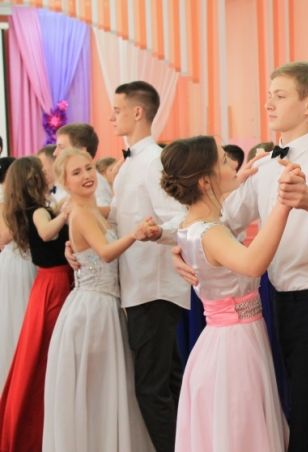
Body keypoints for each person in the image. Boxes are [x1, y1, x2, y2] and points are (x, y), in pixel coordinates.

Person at [169, 61, 308, 452]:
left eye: (280, 96)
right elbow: (223, 221)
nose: (268, 104)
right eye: (268, 95)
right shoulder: (266, 165)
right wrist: (182, 247)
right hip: (276, 305)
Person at [66, 81, 189, 452]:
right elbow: (120, 217)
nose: (111, 117)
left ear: (138, 112)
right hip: (137, 287)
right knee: (165, 382)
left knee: (152, 389)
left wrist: (155, 233)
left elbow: (178, 217)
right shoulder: (130, 164)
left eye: (117, 110)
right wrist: (80, 238)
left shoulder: (153, 162)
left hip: (153, 287)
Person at [159, 136, 289, 451]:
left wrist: (238, 180)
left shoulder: (192, 223)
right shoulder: (211, 232)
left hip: (225, 339)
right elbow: (253, 264)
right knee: (242, 429)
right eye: (223, 160)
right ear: (205, 182)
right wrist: (283, 204)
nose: (233, 163)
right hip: (235, 345)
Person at [42, 148, 155, 452]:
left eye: (89, 168)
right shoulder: (80, 212)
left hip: (104, 306)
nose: (86, 176)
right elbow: (105, 253)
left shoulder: (91, 209)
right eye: (76, 173)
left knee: (105, 387)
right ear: (65, 182)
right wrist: (135, 234)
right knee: (97, 388)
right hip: (92, 311)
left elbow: (112, 215)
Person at [0, 156, 73, 451]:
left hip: (31, 271)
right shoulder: (39, 212)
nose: (47, 173)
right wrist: (63, 214)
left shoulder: (24, 209)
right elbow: (44, 233)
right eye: (42, 172)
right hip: (37, 274)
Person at [0, 157, 37, 386]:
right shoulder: (8, 204)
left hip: (31, 263)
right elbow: (3, 236)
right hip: (17, 263)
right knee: (17, 316)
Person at [56, 123, 113, 212]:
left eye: (61, 147)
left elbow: (101, 216)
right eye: (76, 173)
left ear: (81, 151)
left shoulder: (96, 186)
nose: (55, 153)